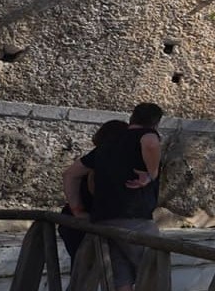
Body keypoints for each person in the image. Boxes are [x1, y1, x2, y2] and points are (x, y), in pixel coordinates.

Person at [63, 102, 163, 291]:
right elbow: (150, 141)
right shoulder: (146, 135)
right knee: (153, 274)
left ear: (132, 117)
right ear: (156, 123)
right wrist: (151, 174)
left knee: (120, 279)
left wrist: (77, 210)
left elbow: (70, 174)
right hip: (135, 220)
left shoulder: (108, 143)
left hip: (102, 220)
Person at [58, 120, 129, 261]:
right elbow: (88, 184)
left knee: (84, 274)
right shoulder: (104, 156)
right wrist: (79, 212)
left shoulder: (99, 156)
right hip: (85, 223)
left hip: (79, 222)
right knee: (85, 273)